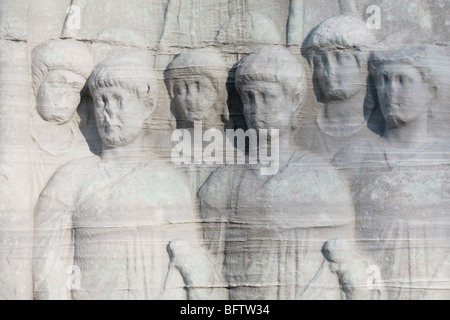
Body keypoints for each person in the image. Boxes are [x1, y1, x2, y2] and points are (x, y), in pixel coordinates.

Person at [32, 55, 225, 300]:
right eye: (102, 101)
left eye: (119, 100)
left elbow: (193, 264)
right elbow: (48, 265)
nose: (109, 110)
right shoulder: (70, 178)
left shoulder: (168, 181)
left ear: (146, 107)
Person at [199, 46, 355, 300]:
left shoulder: (321, 179)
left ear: (293, 100)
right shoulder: (223, 180)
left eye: (266, 96)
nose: (256, 107)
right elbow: (210, 263)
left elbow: (340, 266)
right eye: (249, 97)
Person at [334, 45, 450, 300]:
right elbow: (336, 238)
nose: (390, 91)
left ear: (430, 90)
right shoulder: (353, 159)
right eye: (383, 80)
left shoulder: (445, 158)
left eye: (402, 80)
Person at [301, 15, 382, 159]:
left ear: (363, 63)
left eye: (340, 59)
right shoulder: (305, 133)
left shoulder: (382, 128)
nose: (329, 71)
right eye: (321, 62)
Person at [31, 39, 95, 205]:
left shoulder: (86, 147)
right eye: (57, 83)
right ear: (37, 84)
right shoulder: (19, 135)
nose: (63, 97)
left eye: (75, 88)